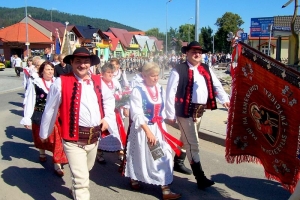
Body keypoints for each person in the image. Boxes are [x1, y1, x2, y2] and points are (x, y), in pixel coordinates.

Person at [39, 47, 116, 200]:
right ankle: (79, 192)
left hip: (93, 138)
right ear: (72, 63)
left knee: (85, 171)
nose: (82, 65)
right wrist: (44, 133)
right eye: (78, 61)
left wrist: (107, 118)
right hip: (72, 139)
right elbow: (50, 109)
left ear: (91, 64)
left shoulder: (98, 81)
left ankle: (76, 189)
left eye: (86, 62)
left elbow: (109, 100)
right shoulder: (61, 82)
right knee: (82, 181)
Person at [165, 41, 230, 190]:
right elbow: (170, 92)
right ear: (186, 53)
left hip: (199, 111)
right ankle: (200, 177)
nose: (197, 54)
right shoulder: (179, 69)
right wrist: (170, 113)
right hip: (184, 111)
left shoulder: (206, 68)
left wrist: (225, 99)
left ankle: (178, 162)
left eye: (199, 52)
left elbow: (216, 85)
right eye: (193, 51)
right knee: (193, 144)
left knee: (186, 138)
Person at [124, 62, 181, 200]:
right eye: (152, 76)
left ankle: (165, 188)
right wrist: (148, 132)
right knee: (143, 155)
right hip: (144, 129)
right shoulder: (138, 90)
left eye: (157, 75)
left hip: (159, 128)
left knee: (164, 156)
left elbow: (164, 105)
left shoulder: (159, 88)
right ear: (144, 76)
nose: (156, 78)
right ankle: (136, 178)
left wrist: (169, 117)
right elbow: (136, 113)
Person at [20, 61, 67, 176]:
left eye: (52, 69)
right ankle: (42, 152)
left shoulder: (57, 82)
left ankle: (57, 163)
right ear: (42, 71)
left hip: (55, 115)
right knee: (41, 136)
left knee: (56, 138)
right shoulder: (35, 83)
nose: (50, 72)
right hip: (39, 114)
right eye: (47, 69)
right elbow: (30, 100)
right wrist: (27, 117)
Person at [96, 63, 127, 164]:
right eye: (108, 72)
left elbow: (120, 93)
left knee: (117, 132)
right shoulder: (99, 82)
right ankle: (99, 153)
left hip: (114, 111)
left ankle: (120, 151)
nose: (110, 75)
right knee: (103, 132)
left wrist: (121, 102)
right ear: (103, 73)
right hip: (102, 111)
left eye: (112, 73)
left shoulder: (115, 82)